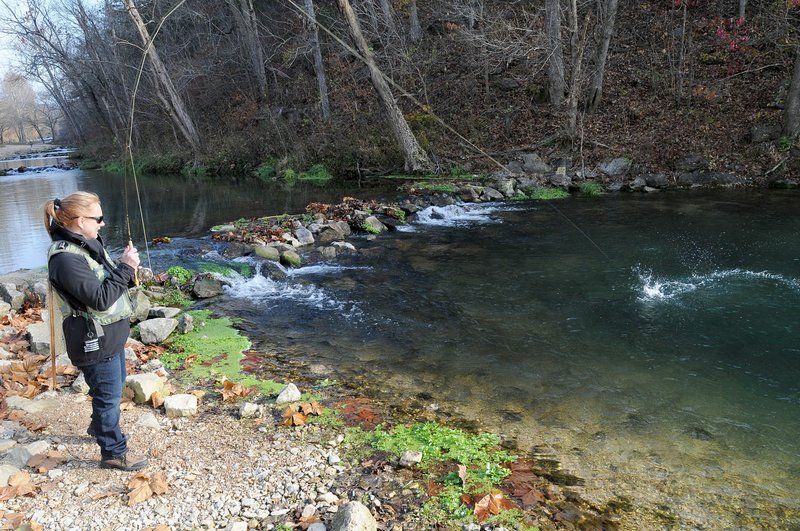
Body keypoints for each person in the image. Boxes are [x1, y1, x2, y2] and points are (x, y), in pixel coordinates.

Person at [43, 192, 148, 471]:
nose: (102, 223)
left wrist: (126, 269)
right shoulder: (65, 259)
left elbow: (107, 283)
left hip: (109, 339)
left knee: (110, 389)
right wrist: (126, 267)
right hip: (95, 341)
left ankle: (98, 428)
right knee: (108, 398)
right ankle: (113, 452)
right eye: (97, 218)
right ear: (78, 221)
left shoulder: (86, 244)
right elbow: (100, 299)